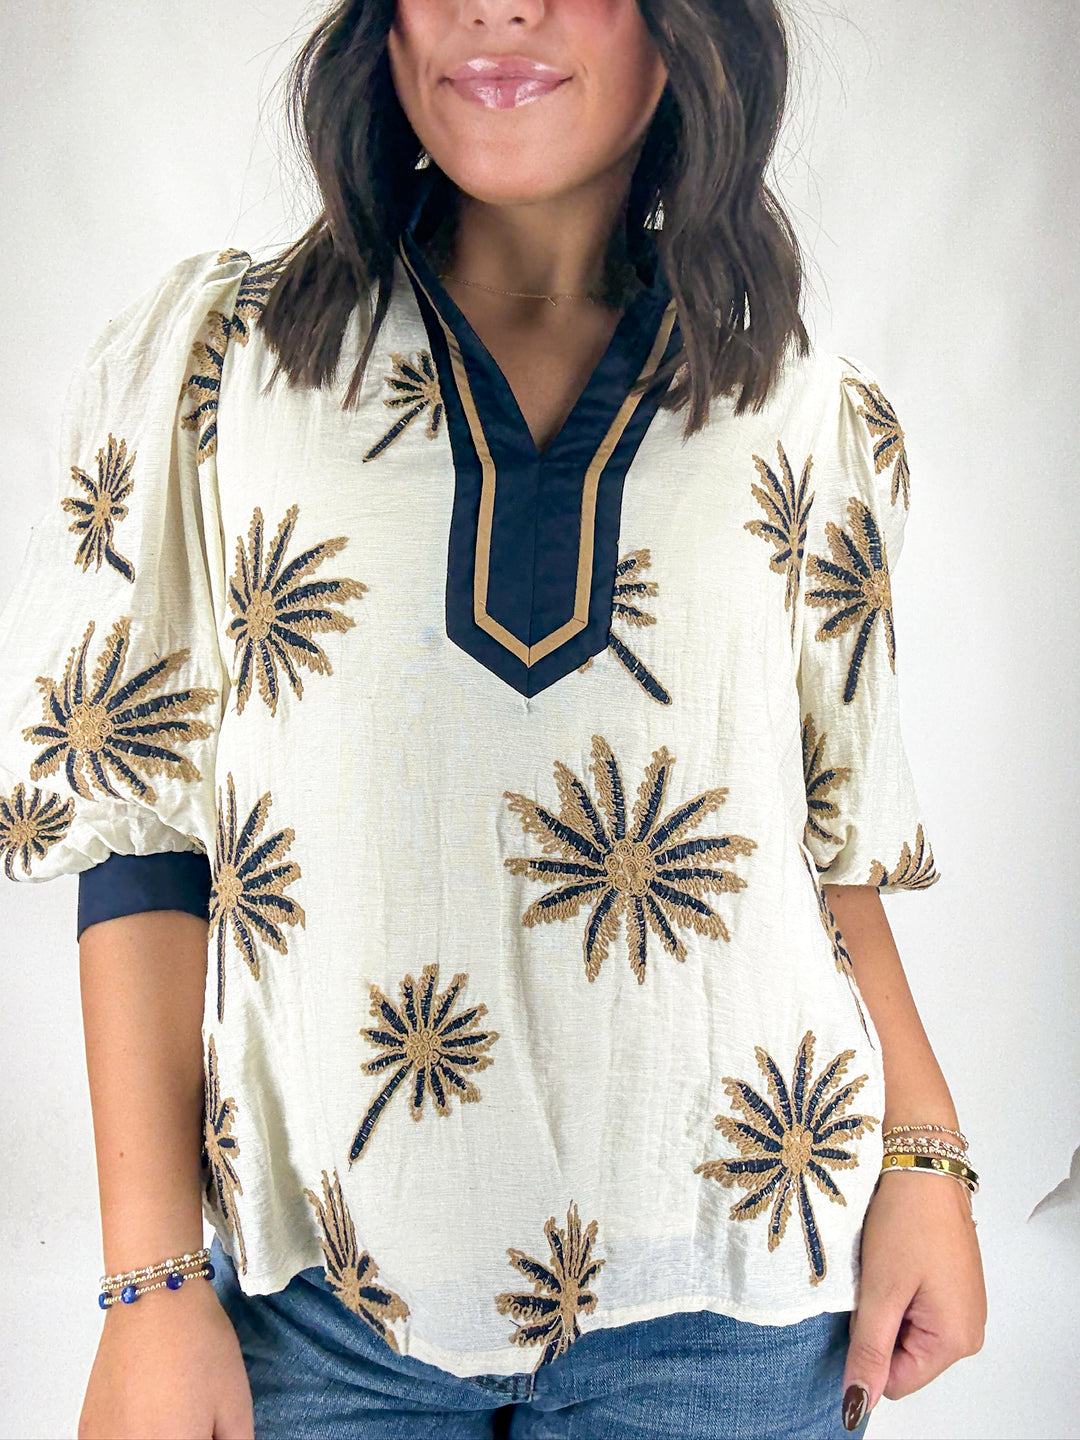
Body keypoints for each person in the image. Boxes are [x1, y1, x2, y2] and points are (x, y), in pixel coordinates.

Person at [0, 0, 987, 1436]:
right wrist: (149, 1290)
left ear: (686, 30)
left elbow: (824, 852)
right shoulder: (222, 370)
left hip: (741, 1298)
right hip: (318, 1315)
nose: (497, 8)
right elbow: (144, 841)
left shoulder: (804, 414)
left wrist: (928, 1161)